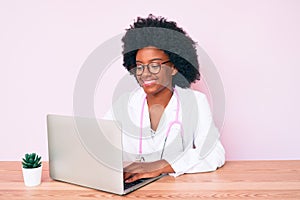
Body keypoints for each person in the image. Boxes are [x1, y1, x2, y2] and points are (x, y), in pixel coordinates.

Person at [104, 14, 225, 183]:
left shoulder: (195, 102)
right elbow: (100, 146)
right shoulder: (125, 104)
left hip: (175, 190)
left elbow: (215, 154)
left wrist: (160, 165)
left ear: (174, 67)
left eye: (154, 65)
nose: (145, 73)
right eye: (139, 66)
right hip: (133, 189)